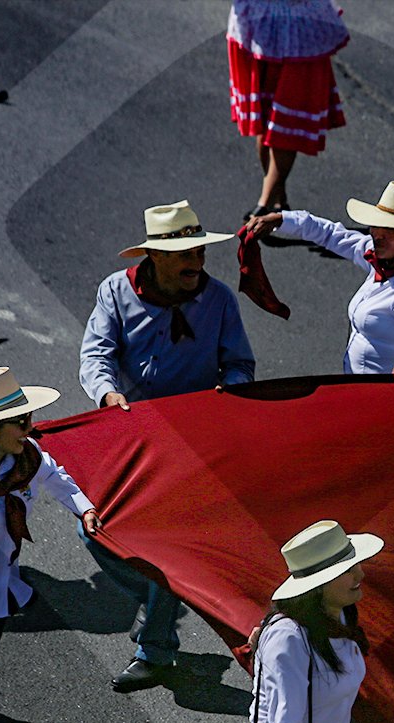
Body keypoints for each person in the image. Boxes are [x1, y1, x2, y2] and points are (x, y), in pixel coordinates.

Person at [79, 199, 255, 692]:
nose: (196, 262)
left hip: (193, 443)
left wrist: (231, 391)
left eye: (199, 252)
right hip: (130, 435)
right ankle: (160, 594)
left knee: (170, 544)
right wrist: (107, 393)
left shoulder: (219, 299)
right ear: (155, 258)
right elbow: (96, 354)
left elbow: (239, 362)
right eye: (184, 255)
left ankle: (155, 650)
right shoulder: (115, 292)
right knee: (92, 529)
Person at [0, 367, 101, 723]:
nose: (32, 427)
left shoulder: (25, 460)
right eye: (22, 421)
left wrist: (84, 508)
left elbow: (58, 479)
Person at [235, 520, 385, 723]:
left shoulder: (339, 614)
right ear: (319, 586)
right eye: (349, 570)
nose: (360, 574)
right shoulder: (288, 639)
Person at [244, 181, 394, 381]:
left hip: (388, 393)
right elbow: (331, 234)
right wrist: (282, 219)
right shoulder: (385, 255)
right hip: (358, 384)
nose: (378, 235)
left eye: (390, 230)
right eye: (377, 225)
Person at [227, 0, 349, 218]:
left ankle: (264, 204)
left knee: (286, 122)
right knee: (266, 124)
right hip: (261, 23)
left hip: (298, 29)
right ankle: (276, 195)